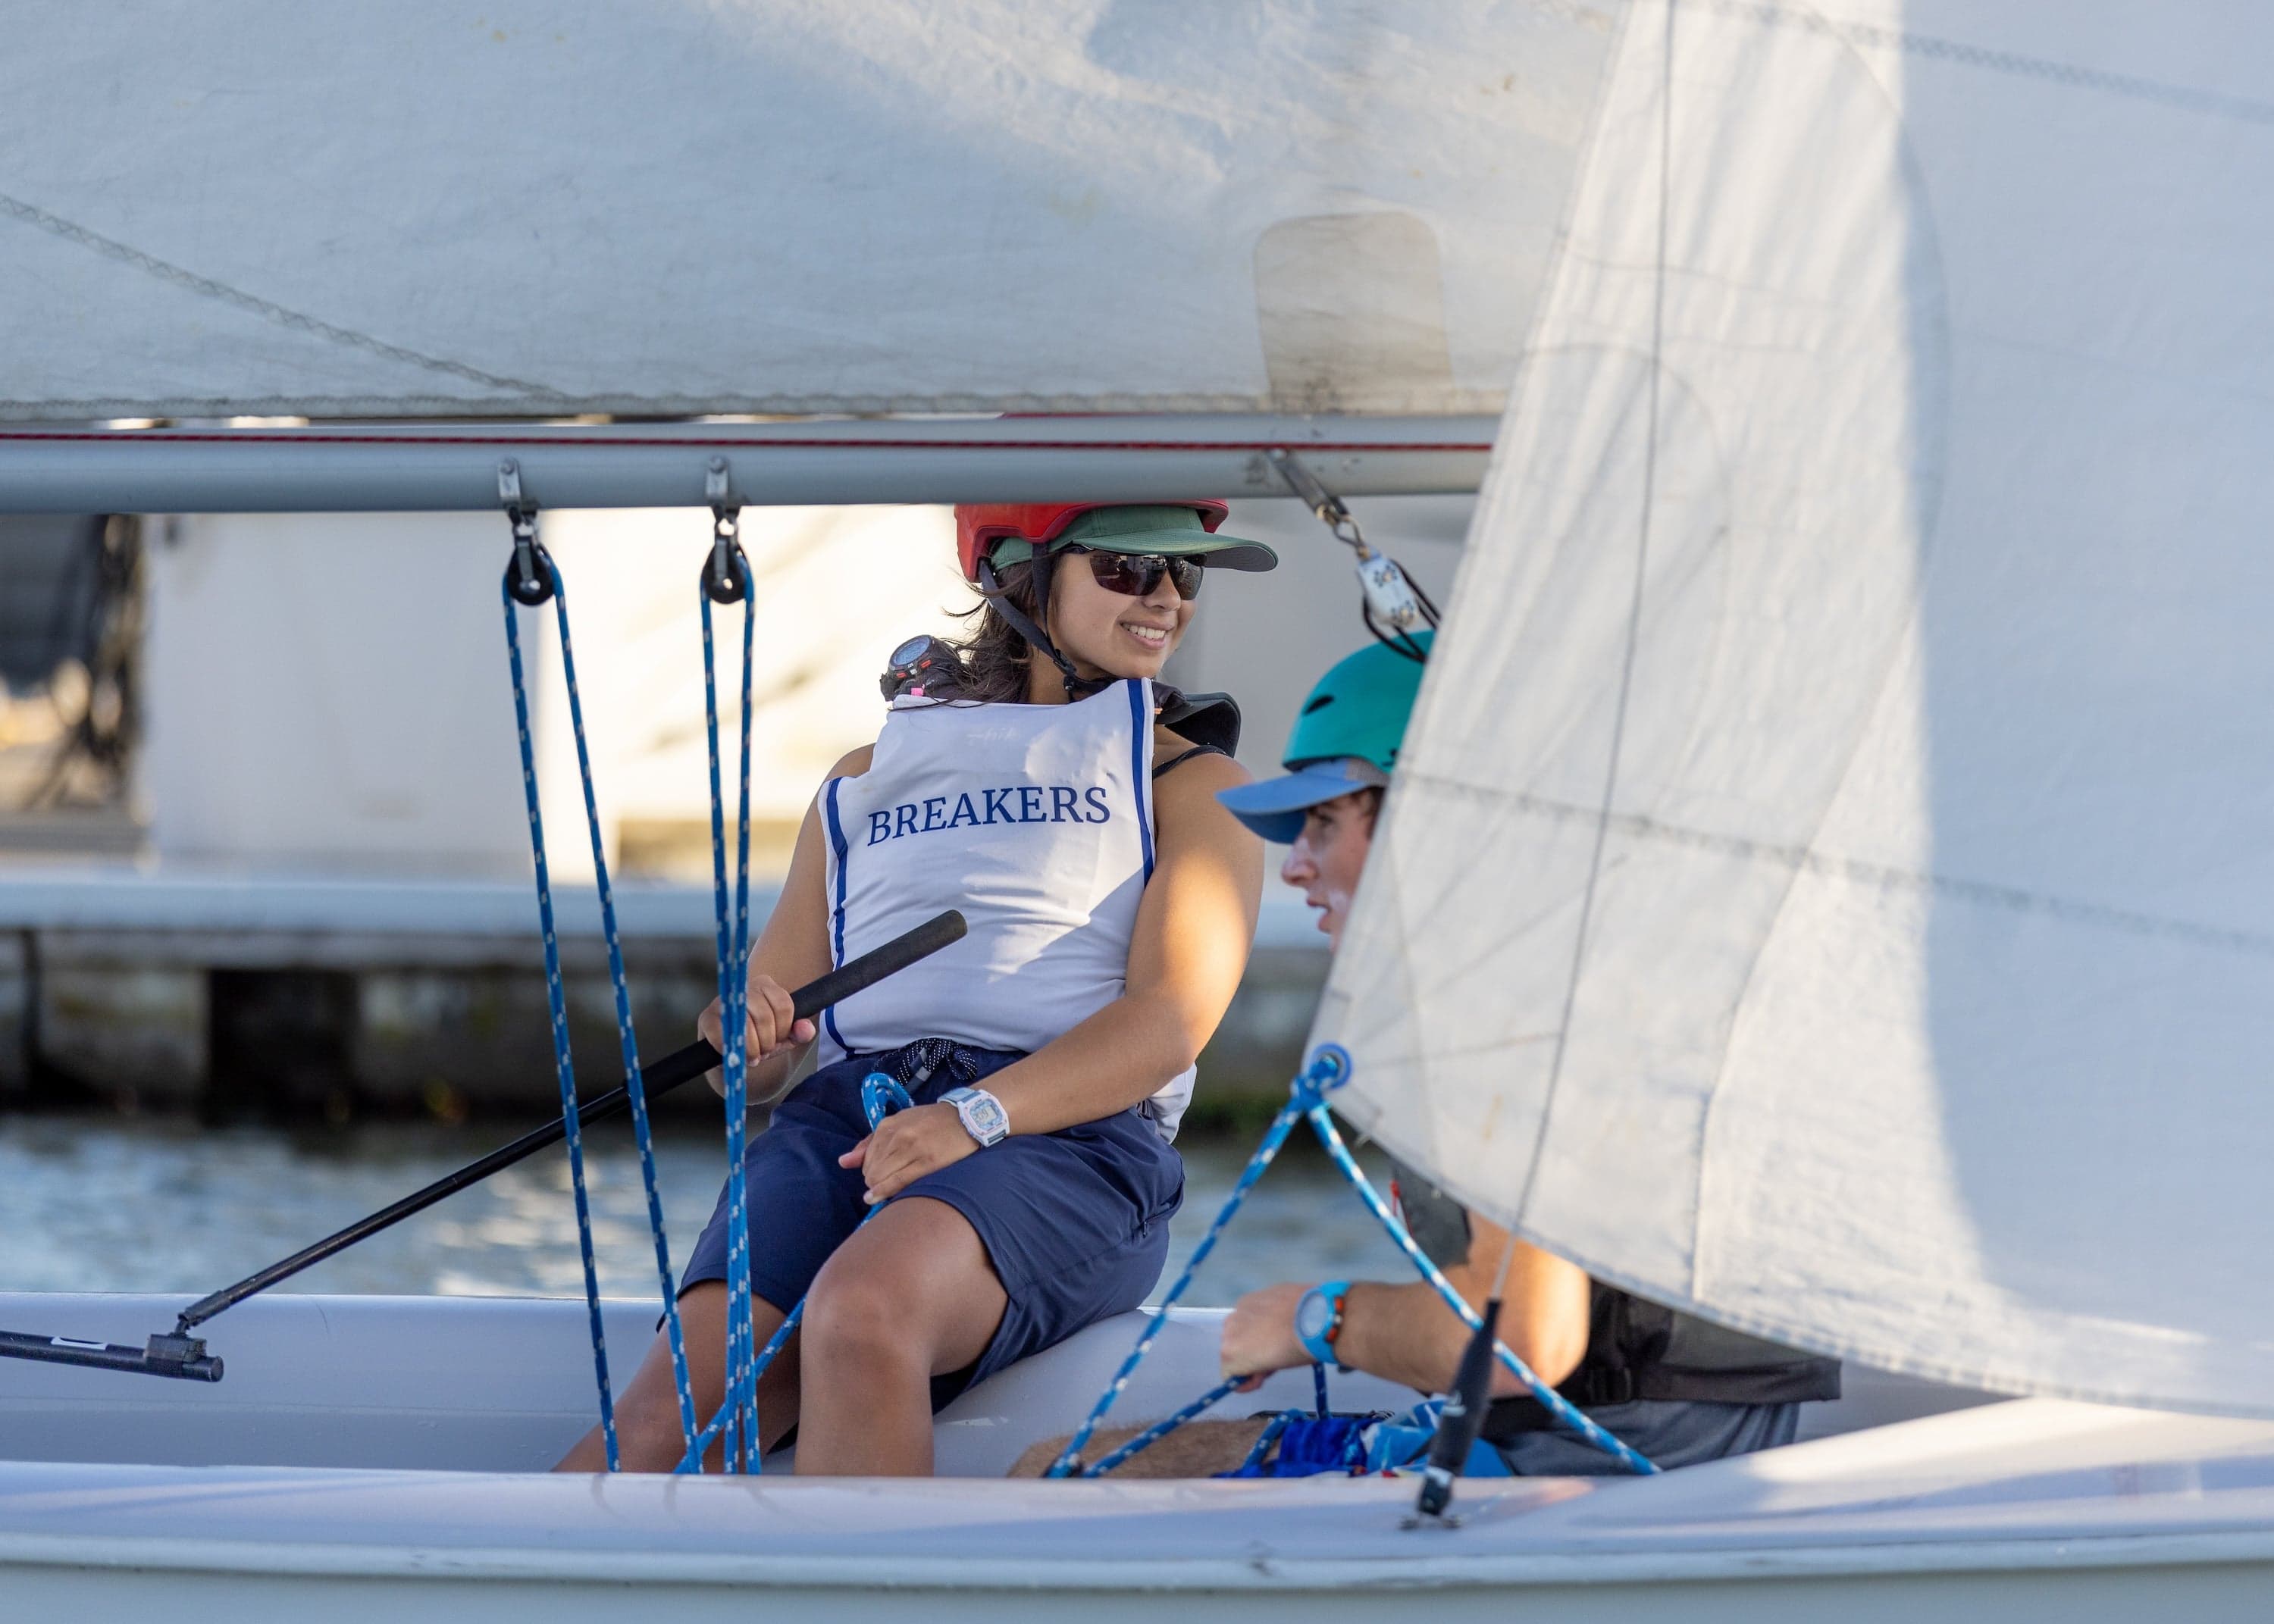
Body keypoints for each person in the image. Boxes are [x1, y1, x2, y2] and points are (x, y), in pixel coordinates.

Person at [560, 501, 1272, 1475]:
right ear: (1022, 577)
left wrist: (974, 1115)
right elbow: (758, 1069)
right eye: (1127, 566)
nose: (1164, 597)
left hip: (1071, 1141)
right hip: (843, 1124)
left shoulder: (1197, 787)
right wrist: (752, 1041)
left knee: (864, 1311)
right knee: (660, 1421)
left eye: (1184, 575)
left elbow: (1170, 1020)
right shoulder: (862, 777)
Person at [1214, 636, 1839, 1474]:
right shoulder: (1583, 970)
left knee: (1055, 1468)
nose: (1293, 865)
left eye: (1324, 822)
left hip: (1599, 1466)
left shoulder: (1496, 1011)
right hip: (1681, 1447)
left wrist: (1315, 1319)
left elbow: (1522, 1338)